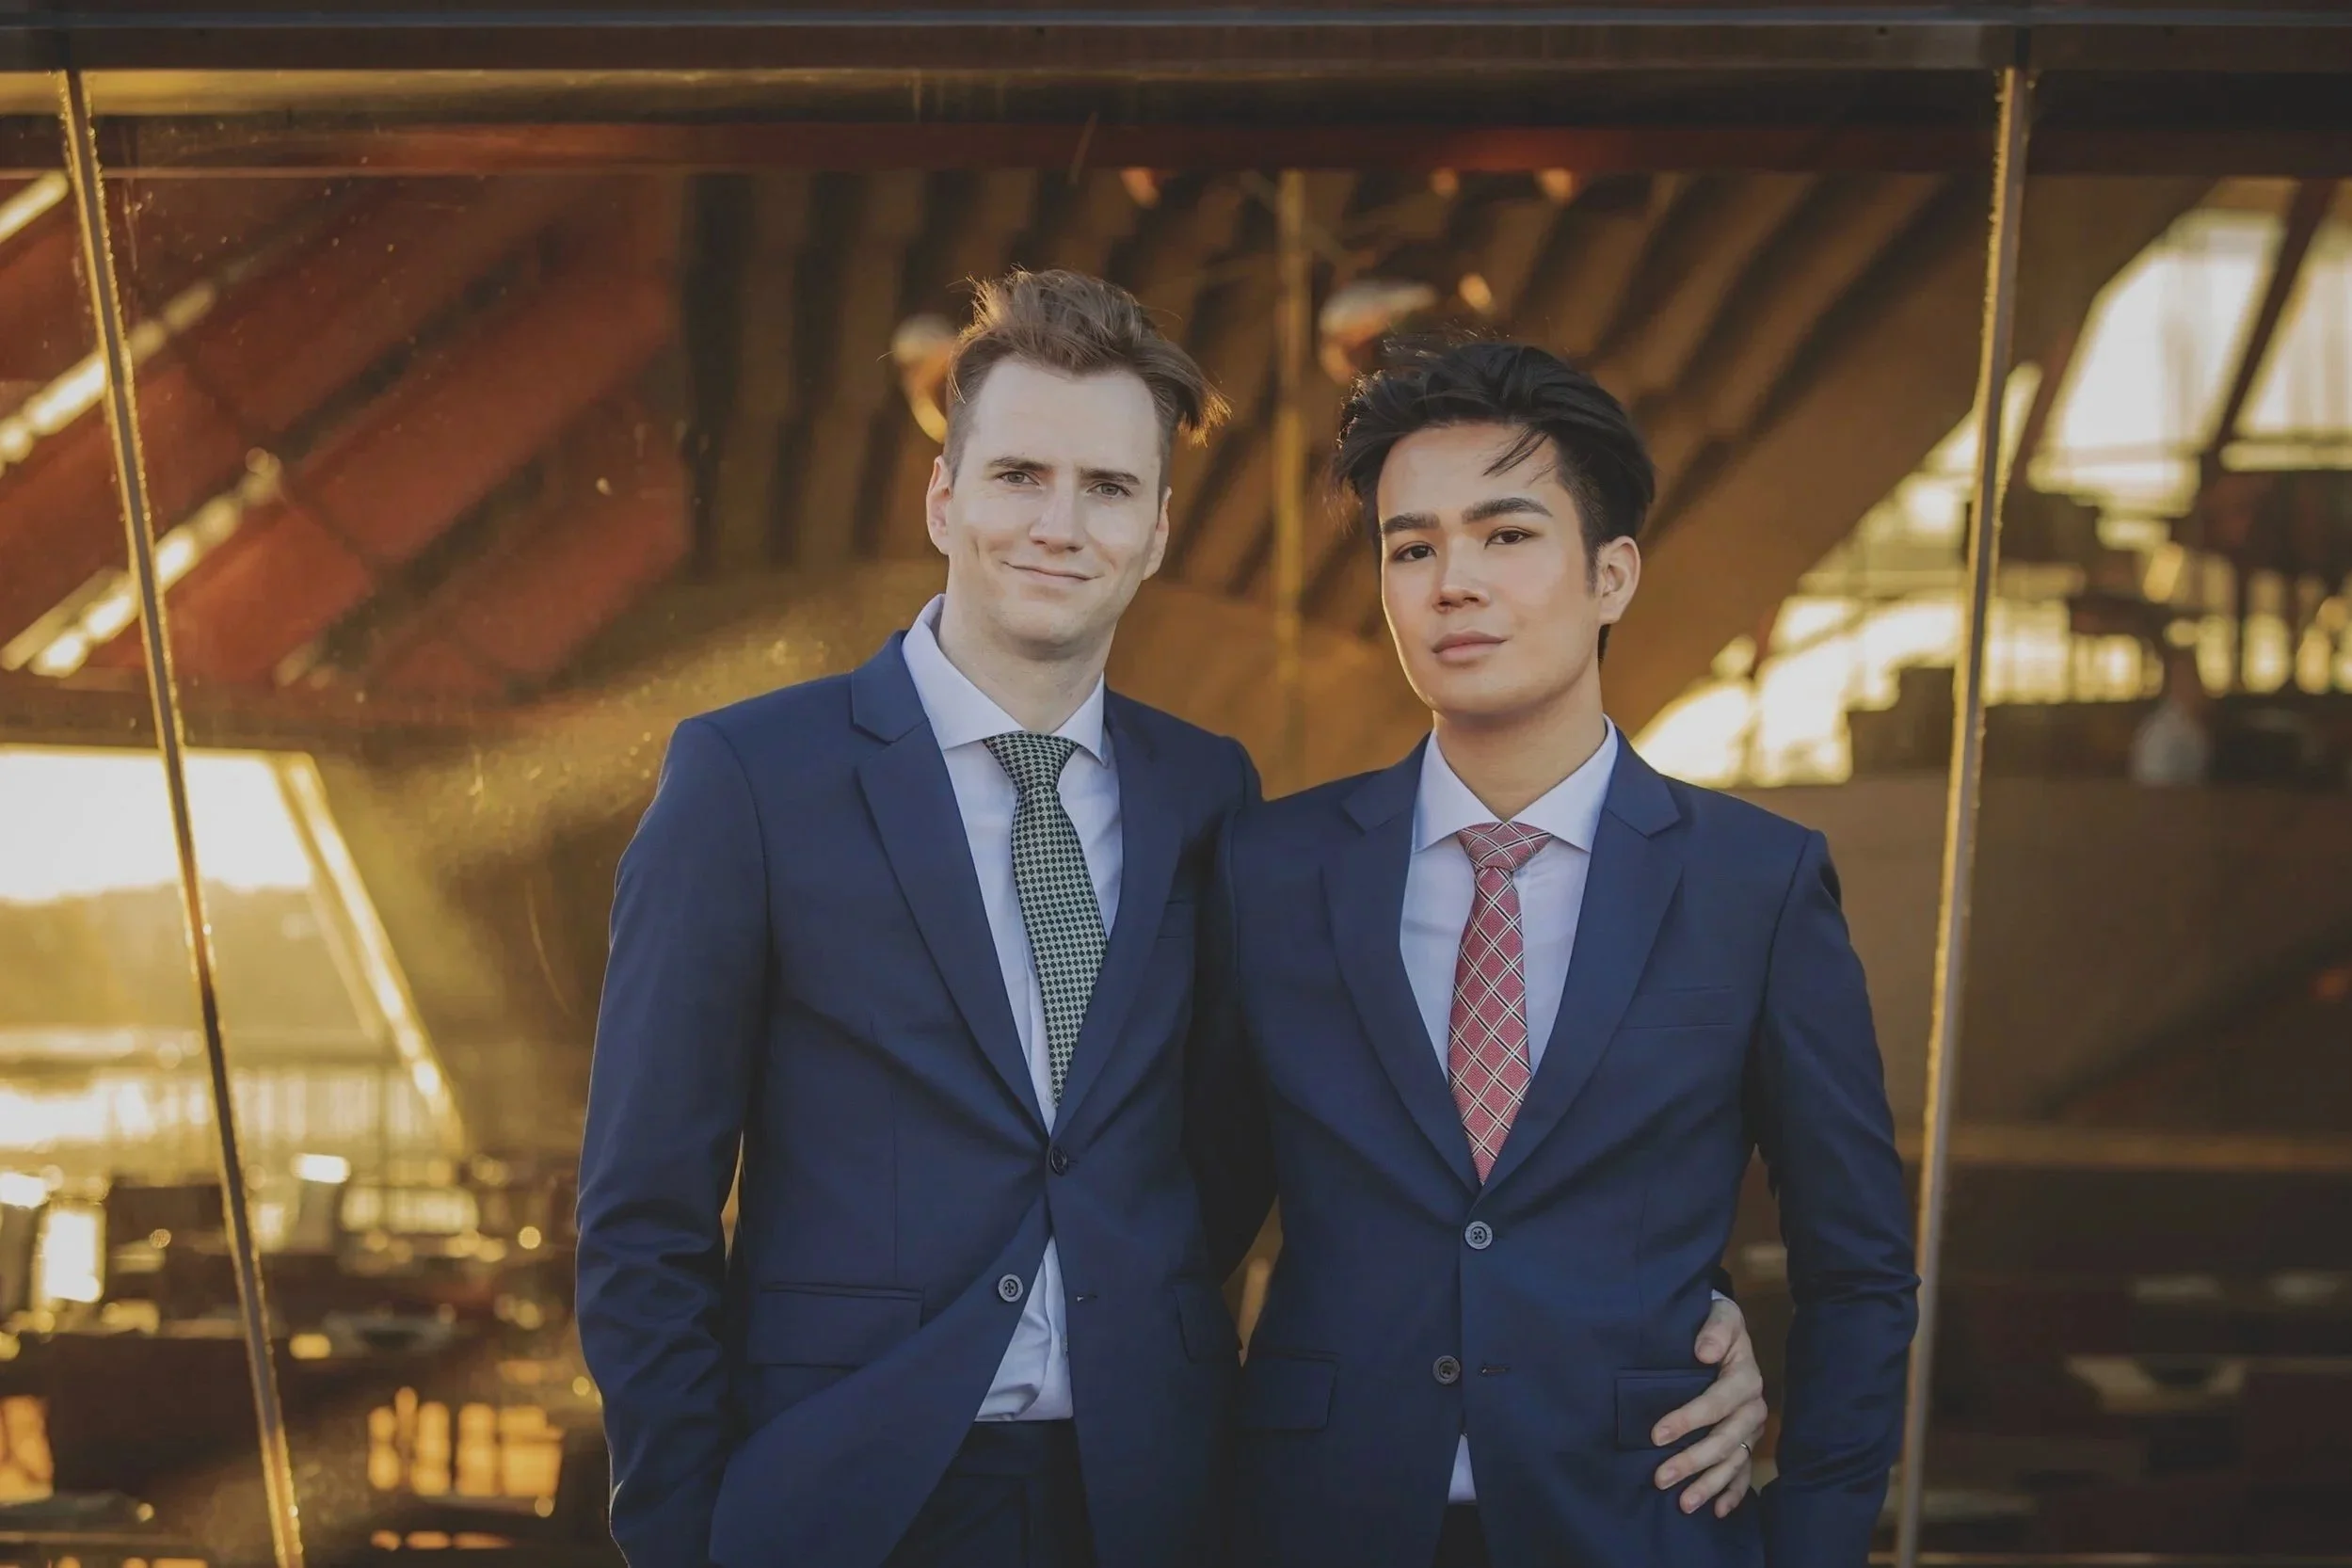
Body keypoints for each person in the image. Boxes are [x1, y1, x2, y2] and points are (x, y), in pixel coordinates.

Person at [576, 271, 1765, 1568]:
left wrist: (1667, 1319)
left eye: (1107, 489)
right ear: (942, 498)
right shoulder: (750, 777)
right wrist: (684, 1532)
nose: (1057, 523)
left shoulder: (1208, 794)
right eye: (1019, 474)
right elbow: (644, 1212)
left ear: (1153, 531)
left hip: (1157, 1490)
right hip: (845, 1490)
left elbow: (1323, 1142)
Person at [1192, 339, 1918, 1568]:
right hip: (1315, 1521)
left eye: (1505, 535)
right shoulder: (1271, 871)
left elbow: (1857, 1270)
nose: (1449, 582)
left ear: (1611, 575)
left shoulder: (1752, 882)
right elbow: (1179, 1230)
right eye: (1409, 546)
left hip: (1641, 1525)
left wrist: (1809, 1539)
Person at [2128, 643, 2212, 788]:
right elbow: (2155, 790)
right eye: (2189, 677)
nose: (2199, 686)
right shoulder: (2160, 733)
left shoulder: (2193, 726)